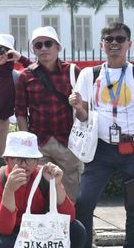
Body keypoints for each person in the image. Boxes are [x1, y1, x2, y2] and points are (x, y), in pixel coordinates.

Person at [66, 22, 134, 248]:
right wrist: (78, 108)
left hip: (133, 147)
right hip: (101, 149)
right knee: (84, 202)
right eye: (109, 39)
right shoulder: (90, 74)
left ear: (129, 44)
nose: (114, 43)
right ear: (102, 44)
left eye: (119, 39)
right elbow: (83, 117)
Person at [15, 26, 83, 200]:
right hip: (39, 142)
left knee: (70, 192)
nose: (43, 48)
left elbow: (86, 106)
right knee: (39, 190)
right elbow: (20, 111)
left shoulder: (73, 72)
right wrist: (27, 143)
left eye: (48, 43)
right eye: (38, 45)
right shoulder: (26, 76)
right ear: (33, 49)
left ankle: (70, 217)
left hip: (68, 141)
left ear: (58, 47)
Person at [0, 33, 32, 157]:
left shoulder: (15, 76)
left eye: (0, 50)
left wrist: (21, 58)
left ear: (10, 52)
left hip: (1, 124)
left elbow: (37, 73)